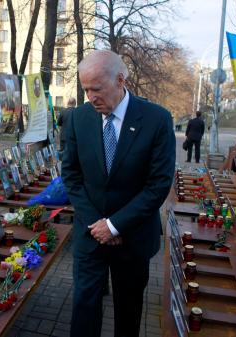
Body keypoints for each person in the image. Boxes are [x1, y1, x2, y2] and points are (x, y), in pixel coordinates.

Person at [61, 50, 175, 337]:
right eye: (85, 89)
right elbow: (72, 176)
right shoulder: (78, 119)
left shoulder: (157, 120)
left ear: (120, 80)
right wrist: (98, 226)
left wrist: (114, 225)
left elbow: (158, 184)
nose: (90, 97)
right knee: (84, 307)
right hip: (90, 235)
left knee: (128, 311)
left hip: (133, 238)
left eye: (96, 89)